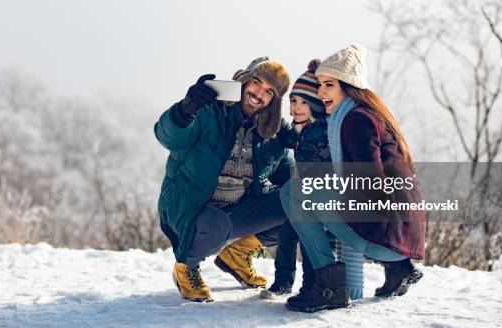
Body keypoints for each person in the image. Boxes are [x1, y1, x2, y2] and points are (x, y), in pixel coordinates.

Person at [281, 45, 426, 313]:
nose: (321, 93)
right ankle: (398, 269)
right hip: (401, 238)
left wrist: (325, 199)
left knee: (293, 191)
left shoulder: (356, 121)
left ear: (348, 87)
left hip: (386, 235)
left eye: (328, 85)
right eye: (320, 85)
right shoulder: (362, 114)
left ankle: (328, 287)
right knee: (315, 192)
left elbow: (369, 184)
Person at [154, 57, 295, 302]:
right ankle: (186, 267)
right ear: (243, 80)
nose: (259, 94)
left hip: (235, 210)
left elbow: (290, 178)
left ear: (274, 100)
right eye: (256, 82)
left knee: (297, 201)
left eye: (268, 91)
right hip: (189, 207)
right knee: (216, 224)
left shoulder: (268, 132)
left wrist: (296, 143)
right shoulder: (208, 112)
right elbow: (168, 136)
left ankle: (238, 255)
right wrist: (186, 109)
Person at [260, 60, 365, 301]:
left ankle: (314, 285)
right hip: (304, 196)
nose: (296, 108)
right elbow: (286, 136)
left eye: (304, 103)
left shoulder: (322, 132)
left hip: (323, 199)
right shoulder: (301, 129)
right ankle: (283, 282)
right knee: (287, 234)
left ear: (316, 105)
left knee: (312, 243)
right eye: (293, 101)